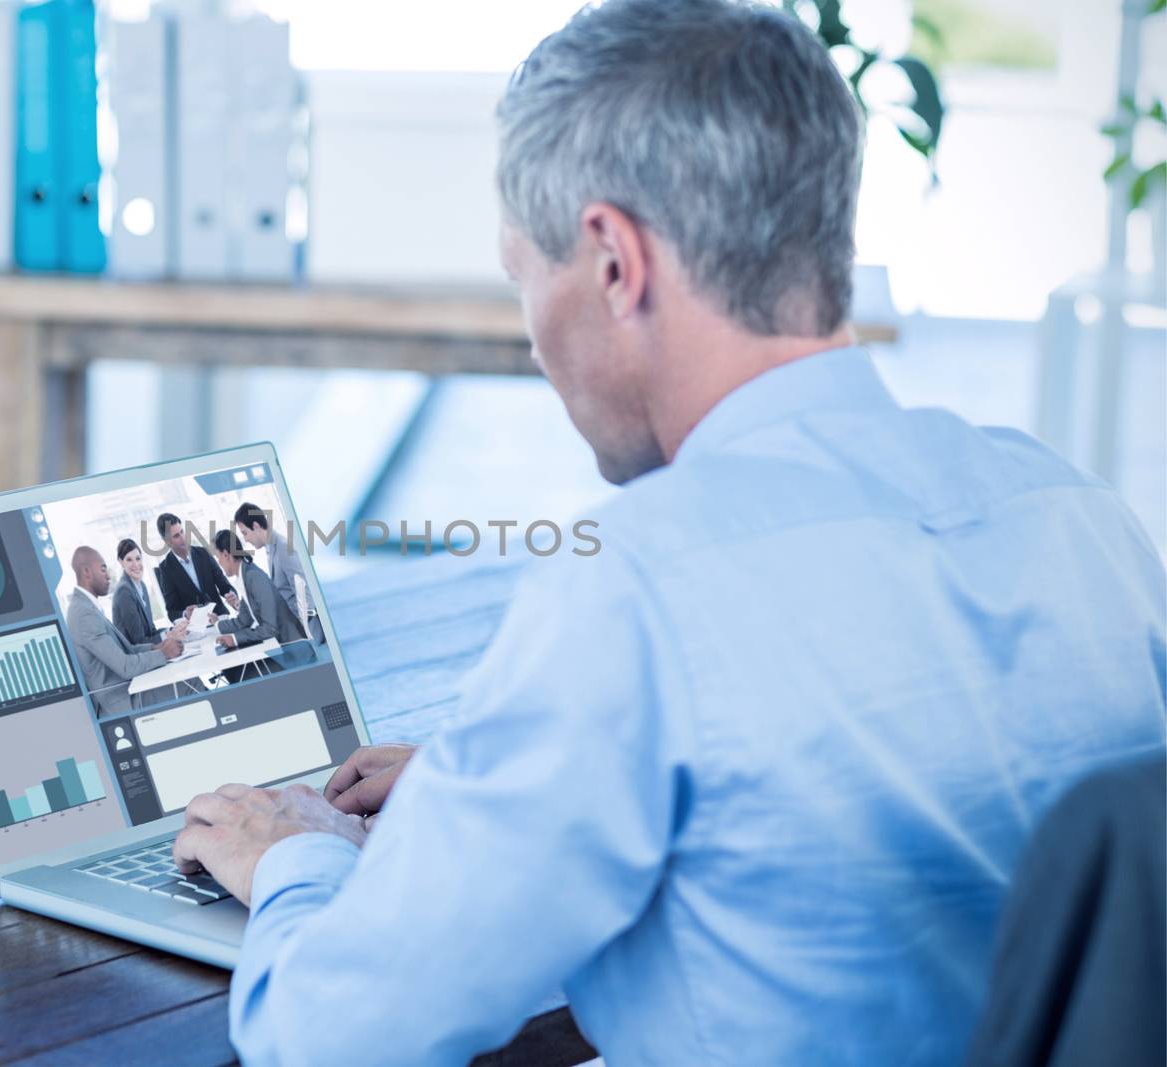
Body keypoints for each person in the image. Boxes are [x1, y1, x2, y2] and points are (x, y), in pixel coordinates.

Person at [167, 3, 1167, 1065]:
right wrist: (499, 794)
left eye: (524, 279)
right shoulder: (1073, 512)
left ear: (611, 261)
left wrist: (294, 855)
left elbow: (326, 1038)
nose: (537, 344)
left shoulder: (639, 585)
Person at [65, 545, 183, 715]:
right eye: (103, 569)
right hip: (121, 700)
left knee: (180, 678)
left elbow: (126, 649)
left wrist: (156, 647)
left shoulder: (86, 606)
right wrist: (163, 653)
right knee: (188, 683)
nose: (108, 576)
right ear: (86, 572)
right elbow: (125, 667)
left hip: (128, 687)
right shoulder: (84, 613)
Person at [233, 502, 320, 642]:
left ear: (256, 526)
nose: (245, 539)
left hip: (305, 630)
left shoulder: (283, 547)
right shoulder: (271, 548)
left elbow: (305, 590)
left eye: (245, 533)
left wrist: (306, 630)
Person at [211, 529, 308, 649]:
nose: (218, 562)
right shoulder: (245, 575)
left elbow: (270, 629)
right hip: (279, 644)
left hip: (291, 646)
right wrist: (217, 623)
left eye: (217, 557)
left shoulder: (253, 577)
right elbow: (244, 620)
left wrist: (234, 639)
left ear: (226, 555)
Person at [153, 512, 235, 623]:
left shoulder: (203, 553)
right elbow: (172, 612)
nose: (183, 538)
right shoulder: (166, 569)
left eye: (182, 532)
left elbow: (224, 585)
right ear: (167, 541)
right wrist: (185, 614)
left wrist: (231, 594)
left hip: (219, 617)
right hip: (196, 627)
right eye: (176, 536)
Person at [111, 537, 187, 648]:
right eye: (129, 560)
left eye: (138, 558)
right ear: (121, 562)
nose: (136, 564)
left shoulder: (141, 586)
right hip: (137, 657)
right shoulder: (124, 591)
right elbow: (139, 641)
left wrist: (175, 630)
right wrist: (169, 635)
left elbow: (151, 631)